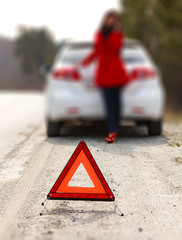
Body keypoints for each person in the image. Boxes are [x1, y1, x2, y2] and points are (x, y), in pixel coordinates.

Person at [78, 9, 130, 143]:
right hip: (104, 73)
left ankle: (115, 129)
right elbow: (96, 51)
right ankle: (112, 130)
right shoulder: (99, 34)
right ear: (105, 20)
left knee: (117, 103)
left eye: (114, 19)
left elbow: (116, 49)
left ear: (116, 22)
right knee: (108, 104)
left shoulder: (117, 35)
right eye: (109, 18)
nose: (111, 21)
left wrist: (116, 32)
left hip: (116, 72)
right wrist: (85, 62)